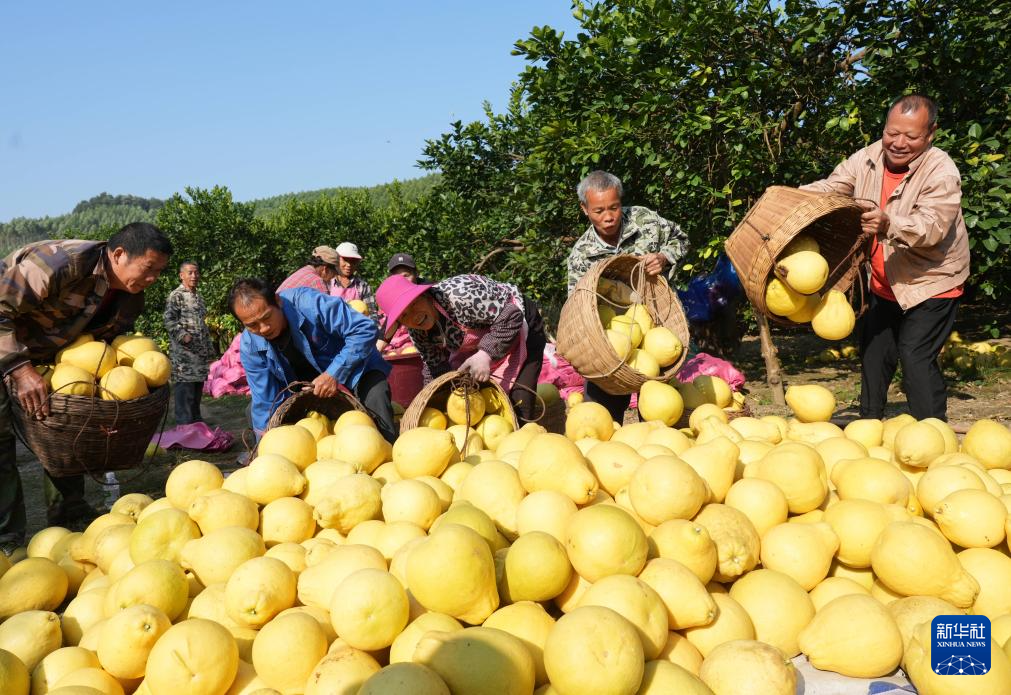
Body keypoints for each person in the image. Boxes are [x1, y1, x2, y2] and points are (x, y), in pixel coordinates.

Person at [0, 223, 172, 551]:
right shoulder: (61, 263)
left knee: (70, 428)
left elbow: (100, 347)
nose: (153, 279)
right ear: (119, 254)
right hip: (4, 342)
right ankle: (6, 537)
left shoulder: (130, 298)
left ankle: (70, 511)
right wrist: (21, 370)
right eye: (149, 269)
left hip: (48, 354)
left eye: (159, 272)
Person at [800, 94, 969, 420]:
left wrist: (888, 223)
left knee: (915, 354)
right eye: (893, 132)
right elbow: (834, 187)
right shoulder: (868, 157)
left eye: (911, 136)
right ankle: (869, 425)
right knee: (875, 353)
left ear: (931, 133)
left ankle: (932, 432)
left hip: (931, 281)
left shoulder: (941, 171)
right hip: (883, 280)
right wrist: (790, 195)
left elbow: (932, 227)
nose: (899, 143)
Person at [566, 170, 691, 422]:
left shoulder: (645, 220)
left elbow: (681, 239)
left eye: (614, 207)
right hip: (607, 342)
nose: (609, 217)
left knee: (661, 417)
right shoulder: (581, 255)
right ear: (584, 209)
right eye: (599, 211)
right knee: (603, 419)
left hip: (656, 327)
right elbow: (576, 307)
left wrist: (664, 257)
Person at [230, 278, 397, 444]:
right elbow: (265, 400)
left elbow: (364, 329)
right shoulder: (250, 346)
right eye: (252, 325)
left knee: (376, 392)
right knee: (253, 412)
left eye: (267, 317)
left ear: (277, 301)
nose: (263, 328)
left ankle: (388, 451)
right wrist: (266, 445)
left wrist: (334, 374)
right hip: (303, 393)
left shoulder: (309, 304)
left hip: (355, 371)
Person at [375, 273, 547, 421]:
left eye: (413, 304)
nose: (414, 316)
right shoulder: (417, 332)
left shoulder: (459, 296)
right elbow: (435, 367)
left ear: (424, 295)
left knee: (518, 403)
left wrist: (485, 354)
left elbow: (511, 316)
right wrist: (431, 400)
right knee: (483, 404)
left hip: (521, 323)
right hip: (489, 340)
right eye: (404, 315)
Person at [163, 261, 216, 425]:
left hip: (199, 352)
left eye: (196, 272)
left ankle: (196, 420)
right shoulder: (176, 295)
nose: (194, 276)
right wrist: (182, 334)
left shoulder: (198, 297)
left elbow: (202, 324)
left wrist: (209, 349)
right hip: (183, 354)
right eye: (190, 273)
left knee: (197, 386)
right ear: (182, 275)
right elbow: (168, 319)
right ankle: (184, 424)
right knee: (184, 387)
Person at [329, 242, 377, 315]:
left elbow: (372, 313)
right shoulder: (327, 283)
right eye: (345, 259)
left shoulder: (362, 286)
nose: (349, 265)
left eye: (353, 261)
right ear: (336, 260)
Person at [276, 246, 341, 294]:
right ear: (325, 269)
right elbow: (327, 310)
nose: (333, 277)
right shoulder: (316, 281)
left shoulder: (303, 271)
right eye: (334, 273)